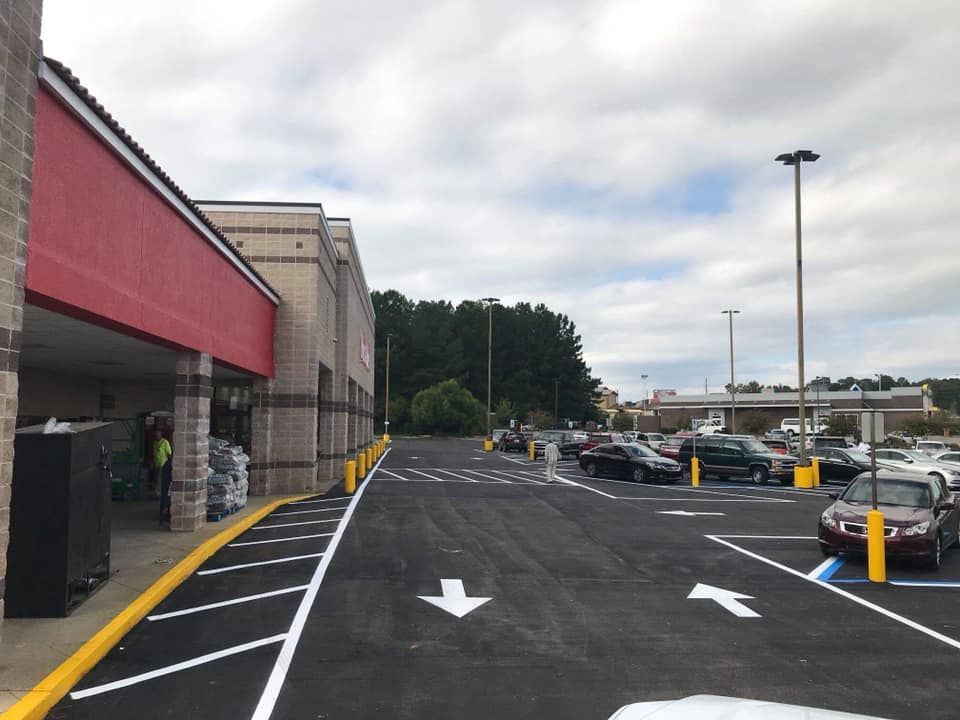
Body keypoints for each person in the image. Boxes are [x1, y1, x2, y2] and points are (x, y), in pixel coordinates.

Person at [152, 429, 173, 520]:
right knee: (157, 479)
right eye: (156, 434)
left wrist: (170, 464)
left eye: (158, 434)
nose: (157, 436)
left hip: (164, 465)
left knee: (161, 481)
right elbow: (155, 454)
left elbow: (169, 454)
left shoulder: (165, 442)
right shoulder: (155, 443)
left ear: (161, 435)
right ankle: (157, 493)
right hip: (157, 464)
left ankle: (159, 493)